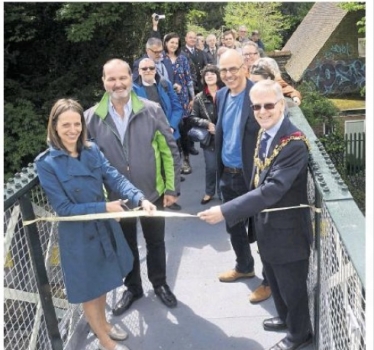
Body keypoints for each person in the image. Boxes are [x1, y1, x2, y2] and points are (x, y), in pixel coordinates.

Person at [198, 79, 313, 350]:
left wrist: (226, 210)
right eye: (257, 106)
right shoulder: (266, 132)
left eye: (269, 105)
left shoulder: (293, 143)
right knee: (274, 278)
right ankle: (285, 319)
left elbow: (271, 191)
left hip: (288, 231)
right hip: (267, 226)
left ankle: (300, 335)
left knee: (292, 287)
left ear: (281, 105)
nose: (262, 111)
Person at [35, 98, 156, 350]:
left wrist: (140, 198)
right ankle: (105, 340)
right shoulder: (46, 163)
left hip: (102, 227)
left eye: (77, 124)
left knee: (102, 282)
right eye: (65, 124)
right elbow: (65, 209)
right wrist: (105, 207)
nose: (72, 130)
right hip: (78, 235)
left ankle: (104, 325)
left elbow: (114, 177)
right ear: (54, 126)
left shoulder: (91, 150)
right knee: (91, 290)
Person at [84, 59, 181, 317]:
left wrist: (171, 188)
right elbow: (87, 162)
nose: (118, 84)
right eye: (111, 79)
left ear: (131, 78)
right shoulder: (91, 117)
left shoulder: (152, 110)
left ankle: (159, 284)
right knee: (125, 246)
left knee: (156, 242)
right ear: (103, 82)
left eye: (122, 78)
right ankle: (133, 288)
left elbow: (169, 150)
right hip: (117, 199)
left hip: (152, 192)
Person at [214, 49, 260, 283]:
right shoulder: (221, 95)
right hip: (228, 174)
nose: (229, 74)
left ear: (245, 68)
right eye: (224, 69)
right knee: (233, 226)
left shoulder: (257, 95)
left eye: (233, 68)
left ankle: (271, 281)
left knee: (262, 229)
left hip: (252, 176)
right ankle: (244, 266)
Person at [132, 57, 184, 210]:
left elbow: (177, 107)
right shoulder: (133, 89)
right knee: (155, 168)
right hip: (148, 135)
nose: (148, 71)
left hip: (169, 132)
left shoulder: (165, 84)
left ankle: (171, 196)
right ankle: (156, 199)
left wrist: (172, 126)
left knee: (171, 165)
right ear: (139, 71)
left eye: (151, 68)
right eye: (144, 69)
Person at [162, 32, 198, 174]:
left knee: (183, 130)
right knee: (171, 129)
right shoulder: (161, 59)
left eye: (176, 43)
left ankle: (186, 160)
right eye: (171, 42)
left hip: (182, 99)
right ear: (165, 43)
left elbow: (189, 79)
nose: (174, 45)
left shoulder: (183, 59)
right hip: (168, 99)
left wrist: (192, 98)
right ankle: (173, 163)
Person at [189, 65, 223, 205]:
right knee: (211, 167)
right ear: (203, 79)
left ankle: (222, 192)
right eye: (207, 74)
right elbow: (192, 118)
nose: (210, 76)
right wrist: (207, 124)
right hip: (209, 139)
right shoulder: (199, 98)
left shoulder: (226, 93)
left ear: (217, 76)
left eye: (212, 74)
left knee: (225, 166)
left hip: (226, 137)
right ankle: (209, 192)